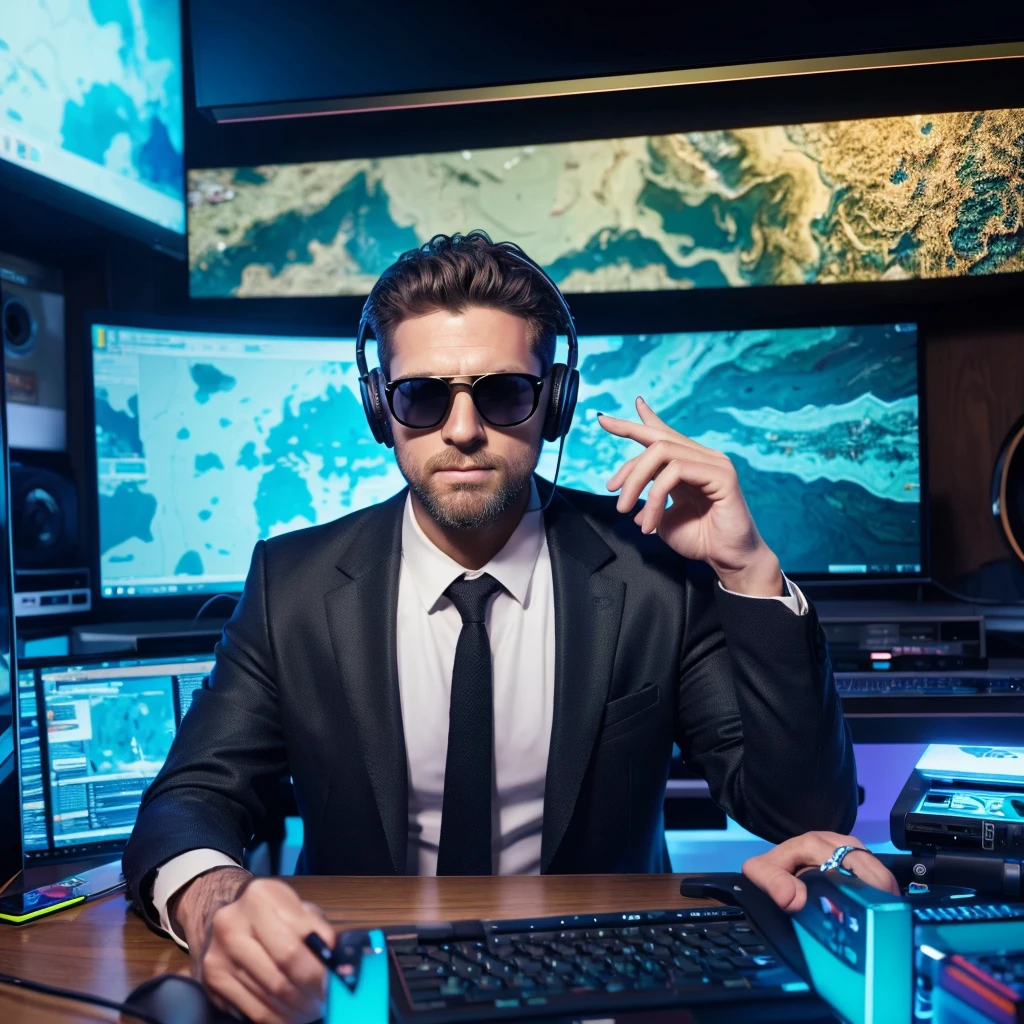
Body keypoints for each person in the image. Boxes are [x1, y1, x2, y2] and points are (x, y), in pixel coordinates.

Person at [123, 230, 860, 1023]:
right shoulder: (291, 583)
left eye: (505, 392)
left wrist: (747, 571)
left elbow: (798, 814)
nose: (464, 428)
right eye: (423, 396)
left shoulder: (654, 578)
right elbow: (191, 798)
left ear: (555, 403)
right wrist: (215, 902)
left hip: (602, 983)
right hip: (359, 981)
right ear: (382, 410)